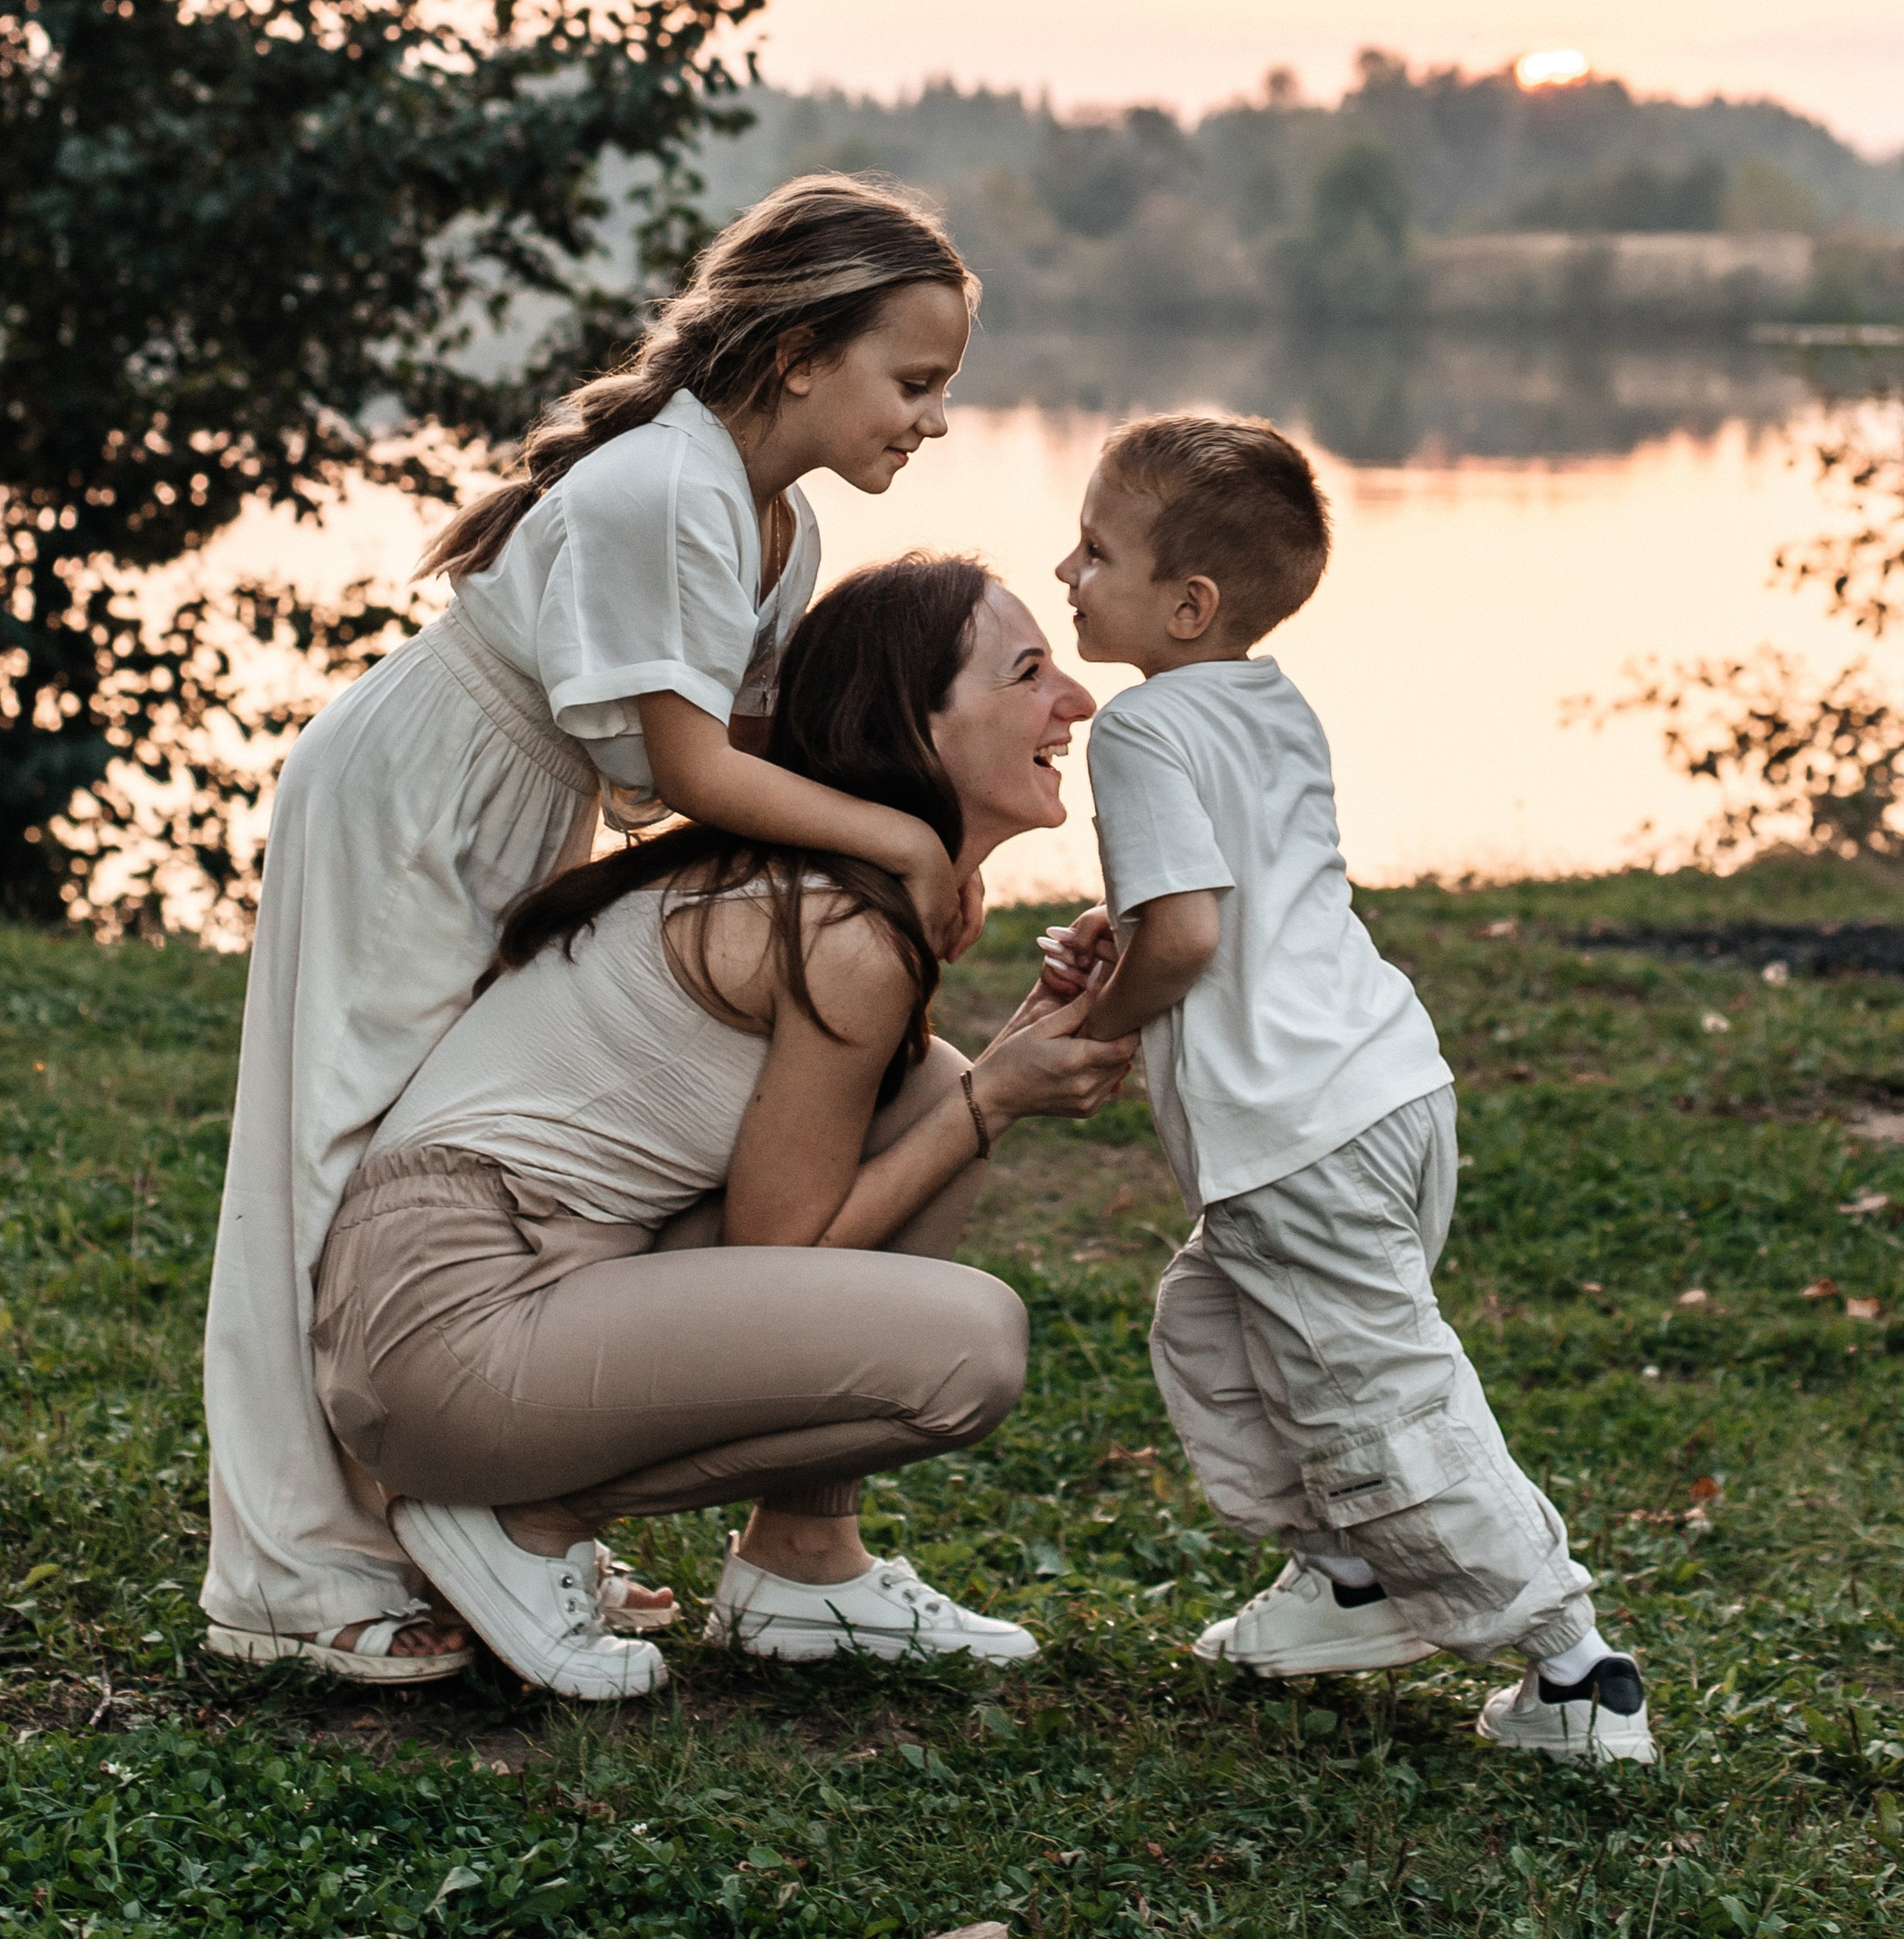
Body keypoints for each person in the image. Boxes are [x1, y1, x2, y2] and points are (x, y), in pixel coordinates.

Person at [203, 175, 979, 1683]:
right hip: (420, 798)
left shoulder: (776, 523)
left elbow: (745, 741)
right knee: (339, 1154)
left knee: (484, 1144)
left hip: (521, 807)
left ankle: (496, 1509)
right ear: (801, 353)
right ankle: (302, 1576)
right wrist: (899, 834)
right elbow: (692, 774)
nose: (932, 420)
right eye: (916, 381)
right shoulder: (663, 489)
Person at [309, 554, 1135, 1695]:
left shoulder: (828, 890)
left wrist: (1005, 1063)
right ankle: (526, 1521)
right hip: (449, 1326)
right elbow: (784, 1255)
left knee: (930, 1089)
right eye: (1028, 674)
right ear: (916, 724)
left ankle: (803, 1562)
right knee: (967, 1348)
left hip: (499, 1284)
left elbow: (795, 1218)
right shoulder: (841, 926)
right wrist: (1001, 1100)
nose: (1077, 701)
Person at [1040, 416, 1655, 1764]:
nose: (1065, 570)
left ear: (1186, 604)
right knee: (1212, 1330)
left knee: (1382, 1402)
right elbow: (1235, 900)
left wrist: (1100, 1017)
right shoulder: (1273, 700)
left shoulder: (1138, 728)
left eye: (1094, 551)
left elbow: (1193, 938)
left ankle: (1574, 1674)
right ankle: (1352, 1581)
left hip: (1295, 1136)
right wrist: (1120, 929)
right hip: (1387, 1090)